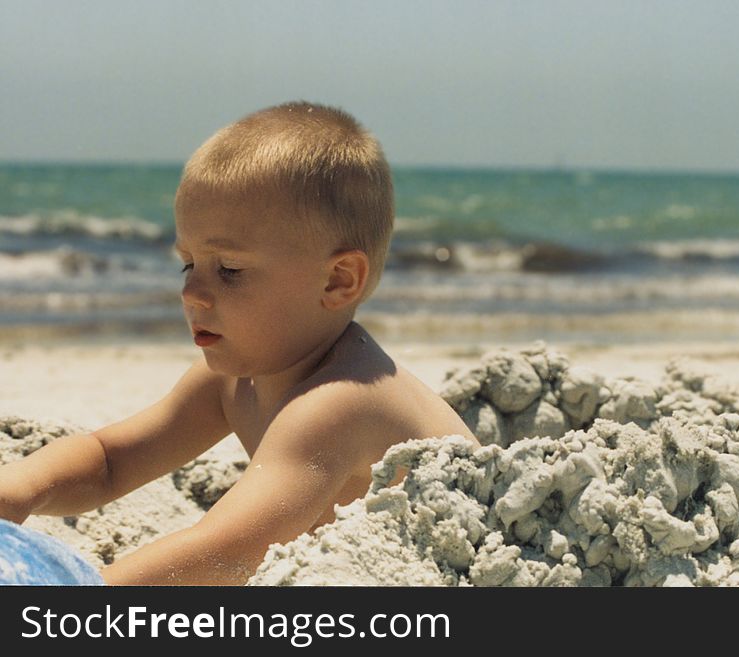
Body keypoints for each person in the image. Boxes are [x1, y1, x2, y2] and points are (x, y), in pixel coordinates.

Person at [0, 101, 478, 585]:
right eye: (189, 264)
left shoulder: (341, 402)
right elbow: (111, 460)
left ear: (337, 281)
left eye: (228, 270)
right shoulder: (232, 378)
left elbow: (226, 549)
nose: (191, 292)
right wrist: (19, 490)